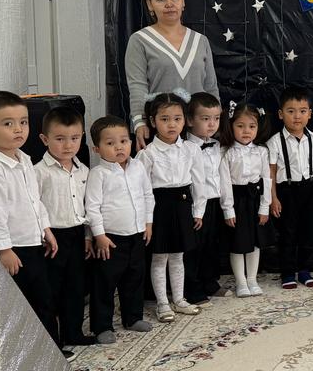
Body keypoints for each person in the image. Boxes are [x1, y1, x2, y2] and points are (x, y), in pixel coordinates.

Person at [0, 91, 64, 356]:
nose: (18, 129)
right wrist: (4, 250)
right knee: (25, 303)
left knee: (44, 298)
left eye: (23, 122)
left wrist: (45, 228)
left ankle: (51, 352)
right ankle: (30, 357)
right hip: (15, 248)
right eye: (8, 123)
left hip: (33, 240)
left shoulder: (24, 158)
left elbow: (34, 199)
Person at [125, 0, 219, 150]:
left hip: (198, 128)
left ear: (183, 0)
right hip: (163, 129)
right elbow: (137, 86)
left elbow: (211, 87)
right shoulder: (140, 40)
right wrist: (140, 122)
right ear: (150, 4)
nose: (169, 4)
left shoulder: (200, 40)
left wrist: (215, 119)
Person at [84, 115, 155, 342]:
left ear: (131, 142)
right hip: (110, 239)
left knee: (134, 278)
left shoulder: (138, 167)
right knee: (105, 283)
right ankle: (102, 326)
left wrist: (148, 223)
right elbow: (92, 207)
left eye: (124, 141)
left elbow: (147, 195)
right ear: (97, 149)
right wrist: (99, 235)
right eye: (110, 143)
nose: (119, 147)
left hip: (137, 234)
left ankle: (132, 317)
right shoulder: (98, 174)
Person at [34, 105, 95, 350]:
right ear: (45, 139)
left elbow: (87, 206)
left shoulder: (84, 170)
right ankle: (52, 341)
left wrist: (88, 237)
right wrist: (43, 233)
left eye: (74, 138)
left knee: (76, 286)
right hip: (52, 238)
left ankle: (73, 332)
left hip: (77, 234)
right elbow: (35, 205)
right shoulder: (39, 172)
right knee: (52, 289)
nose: (68, 145)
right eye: (60, 139)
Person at [135, 93, 200, 322]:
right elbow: (141, 189)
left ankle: (179, 299)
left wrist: (198, 211)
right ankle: (162, 303)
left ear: (185, 120)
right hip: (158, 207)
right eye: (164, 119)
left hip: (182, 204)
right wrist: (146, 219)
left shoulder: (191, 149)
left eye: (177, 119)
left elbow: (198, 181)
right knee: (159, 257)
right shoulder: (147, 154)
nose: (171, 124)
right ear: (153, 121)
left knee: (178, 255)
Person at [267, 86, 313, 289]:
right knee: (288, 233)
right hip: (287, 191)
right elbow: (271, 173)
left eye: (302, 111)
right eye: (291, 111)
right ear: (281, 114)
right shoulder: (274, 142)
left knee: (309, 231)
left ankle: (305, 270)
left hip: (310, 189)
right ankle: (288, 272)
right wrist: (273, 198)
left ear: (310, 114)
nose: (297, 116)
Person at [219, 102, 271, 296]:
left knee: (254, 242)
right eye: (240, 126)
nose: (246, 131)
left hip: (255, 199)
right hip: (236, 201)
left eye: (251, 126)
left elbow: (266, 179)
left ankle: (252, 279)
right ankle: (241, 282)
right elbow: (224, 182)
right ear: (231, 126)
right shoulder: (227, 152)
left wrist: (265, 207)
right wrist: (228, 209)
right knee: (238, 243)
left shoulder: (261, 151)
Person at [185, 92, 224, 302]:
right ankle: (192, 287)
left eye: (216, 118)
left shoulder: (217, 146)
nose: (212, 124)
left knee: (212, 244)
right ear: (190, 120)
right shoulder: (186, 148)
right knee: (194, 247)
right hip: (195, 204)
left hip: (214, 202)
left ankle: (210, 281)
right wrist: (196, 210)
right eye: (205, 118)